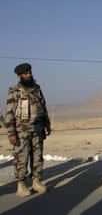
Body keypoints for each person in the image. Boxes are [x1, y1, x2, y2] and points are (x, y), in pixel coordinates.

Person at [4, 63, 51, 197]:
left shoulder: (37, 89)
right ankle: (21, 185)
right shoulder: (15, 92)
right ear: (19, 76)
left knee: (37, 157)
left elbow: (43, 107)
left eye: (30, 72)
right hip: (21, 132)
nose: (29, 75)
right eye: (26, 73)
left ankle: (36, 181)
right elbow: (9, 114)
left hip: (37, 129)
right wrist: (11, 133)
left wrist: (46, 124)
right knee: (21, 157)